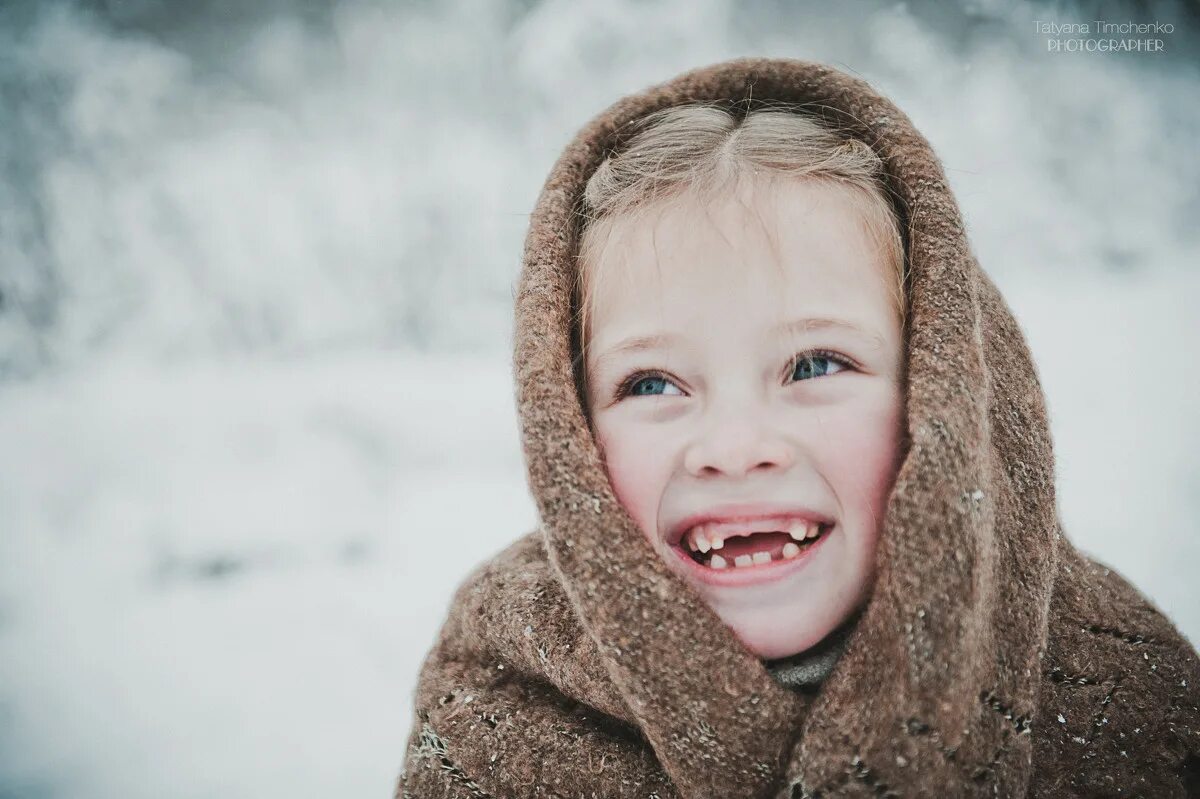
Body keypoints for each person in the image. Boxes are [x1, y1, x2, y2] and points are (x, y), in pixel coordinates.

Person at [395, 57, 1200, 798]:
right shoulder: (501, 693)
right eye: (651, 382)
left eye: (815, 366)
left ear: (941, 390)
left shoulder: (1115, 685)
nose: (736, 447)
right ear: (570, 432)